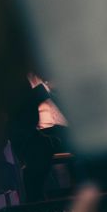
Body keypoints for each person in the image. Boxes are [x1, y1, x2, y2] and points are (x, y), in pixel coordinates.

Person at [8, 74, 70, 202]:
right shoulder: (15, 77)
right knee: (40, 152)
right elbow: (20, 106)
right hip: (35, 133)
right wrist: (46, 88)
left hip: (61, 128)